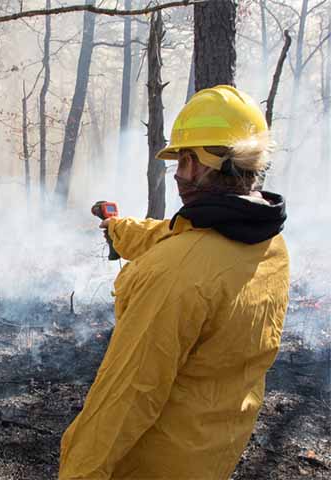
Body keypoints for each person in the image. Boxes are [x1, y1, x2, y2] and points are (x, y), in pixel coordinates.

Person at [59, 85, 290, 479]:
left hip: (150, 466)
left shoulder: (176, 274)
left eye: (182, 162)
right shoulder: (269, 246)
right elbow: (176, 238)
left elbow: (124, 398)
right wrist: (118, 228)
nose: (179, 177)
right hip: (210, 458)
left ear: (199, 163)